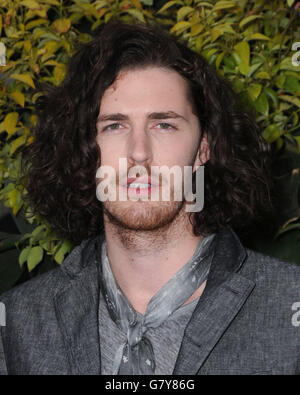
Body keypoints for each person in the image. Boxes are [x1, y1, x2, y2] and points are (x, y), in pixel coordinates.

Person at [0, 21, 299, 376]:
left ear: (204, 147)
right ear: (83, 149)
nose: (138, 152)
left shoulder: (288, 309)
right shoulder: (18, 324)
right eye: (114, 125)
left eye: (164, 124)